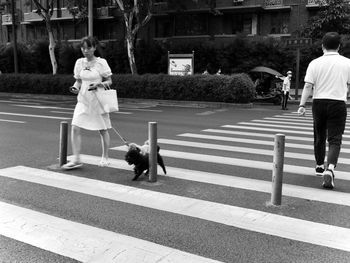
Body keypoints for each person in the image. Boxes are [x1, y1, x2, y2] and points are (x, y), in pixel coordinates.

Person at [297, 32, 350, 189]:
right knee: (335, 139)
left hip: (319, 103)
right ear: (339, 46)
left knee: (319, 136)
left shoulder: (315, 63)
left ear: (322, 47)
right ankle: (330, 168)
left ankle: (319, 166)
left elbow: (308, 86)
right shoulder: (347, 63)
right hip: (338, 103)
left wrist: (301, 105)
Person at [62, 36, 113, 170]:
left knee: (102, 129)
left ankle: (105, 156)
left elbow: (109, 81)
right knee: (75, 127)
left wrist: (99, 84)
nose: (85, 50)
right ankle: (77, 159)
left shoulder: (101, 63)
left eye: (88, 47)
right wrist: (75, 87)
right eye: (83, 48)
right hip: (83, 100)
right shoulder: (79, 63)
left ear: (94, 48)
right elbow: (78, 80)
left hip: (98, 100)